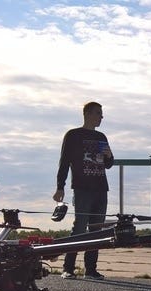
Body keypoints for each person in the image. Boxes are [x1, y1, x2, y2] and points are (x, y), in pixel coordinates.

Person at [53, 101, 115, 280]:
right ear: (87, 114)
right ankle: (68, 268)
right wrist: (60, 186)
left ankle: (91, 269)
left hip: (101, 188)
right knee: (79, 227)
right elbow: (64, 161)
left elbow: (109, 164)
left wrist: (109, 156)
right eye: (98, 113)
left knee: (96, 229)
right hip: (82, 188)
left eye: (102, 114)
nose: (101, 117)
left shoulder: (102, 137)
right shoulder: (73, 135)